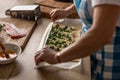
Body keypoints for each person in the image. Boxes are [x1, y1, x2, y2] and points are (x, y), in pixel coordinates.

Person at [35, 0, 120, 80]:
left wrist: (56, 57)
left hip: (109, 61)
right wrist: (67, 11)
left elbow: (101, 34)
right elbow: (90, 3)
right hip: (90, 52)